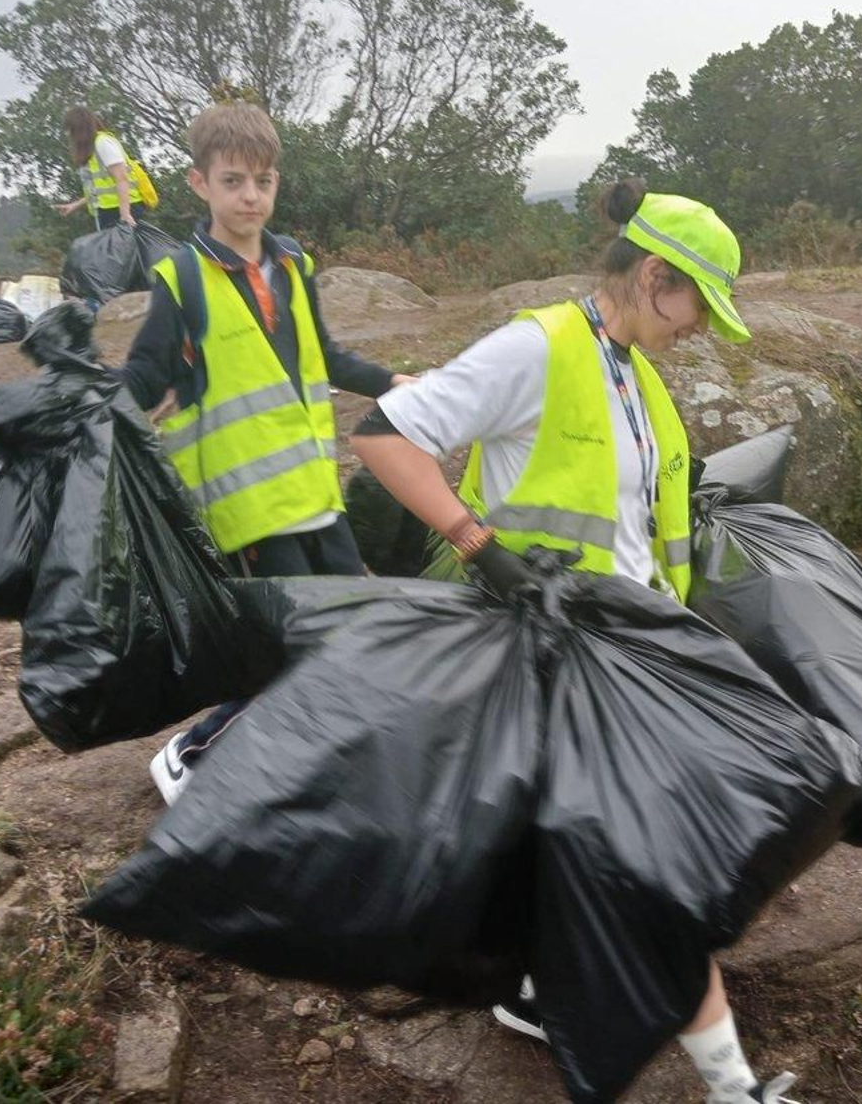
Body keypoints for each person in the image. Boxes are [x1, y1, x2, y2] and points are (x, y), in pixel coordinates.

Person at [351, 180, 799, 1104]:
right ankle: (737, 1090)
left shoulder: (632, 370)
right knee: (662, 872)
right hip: (555, 652)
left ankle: (533, 984)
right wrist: (481, 547)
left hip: (624, 652)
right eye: (698, 306)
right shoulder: (537, 348)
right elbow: (384, 434)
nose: (702, 329)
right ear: (653, 275)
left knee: (581, 849)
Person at [115, 100, 414, 806]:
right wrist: (95, 419)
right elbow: (143, 378)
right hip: (248, 511)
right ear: (199, 183)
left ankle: (320, 757)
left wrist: (391, 380)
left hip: (314, 496)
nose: (250, 196)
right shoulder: (182, 281)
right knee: (289, 650)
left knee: (350, 625)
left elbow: (325, 355)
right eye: (233, 181)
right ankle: (193, 752)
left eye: (263, 181)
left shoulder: (291, 263)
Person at [55, 106, 140, 230]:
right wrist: (76, 205)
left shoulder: (103, 143)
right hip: (107, 209)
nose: (69, 135)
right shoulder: (92, 148)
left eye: (70, 130)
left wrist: (125, 214)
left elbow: (122, 178)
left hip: (122, 209)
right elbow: (100, 189)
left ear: (78, 129)